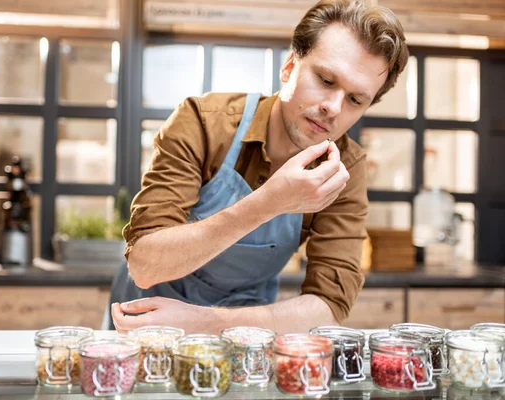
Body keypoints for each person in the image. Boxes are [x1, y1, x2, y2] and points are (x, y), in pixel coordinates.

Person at [105, 0, 409, 334]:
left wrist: (204, 322)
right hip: (145, 324)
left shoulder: (344, 169)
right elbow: (145, 265)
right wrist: (269, 202)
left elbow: (329, 307)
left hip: (243, 337)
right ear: (290, 66)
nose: (333, 107)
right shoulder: (204, 124)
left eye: (355, 100)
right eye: (325, 79)